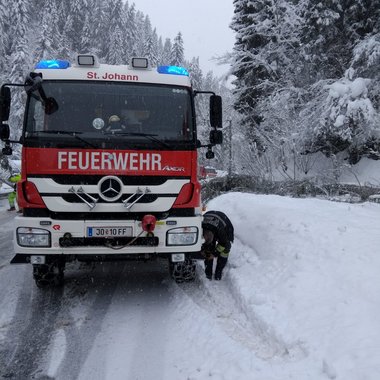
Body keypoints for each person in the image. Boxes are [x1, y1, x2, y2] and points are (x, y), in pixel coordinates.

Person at [201, 210, 234, 280]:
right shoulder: (200, 227)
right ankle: (208, 274)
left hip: (224, 224)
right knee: (208, 250)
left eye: (209, 238)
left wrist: (215, 254)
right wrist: (203, 250)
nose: (207, 240)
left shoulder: (221, 231)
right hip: (208, 220)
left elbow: (223, 244)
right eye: (205, 238)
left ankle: (218, 273)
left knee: (225, 249)